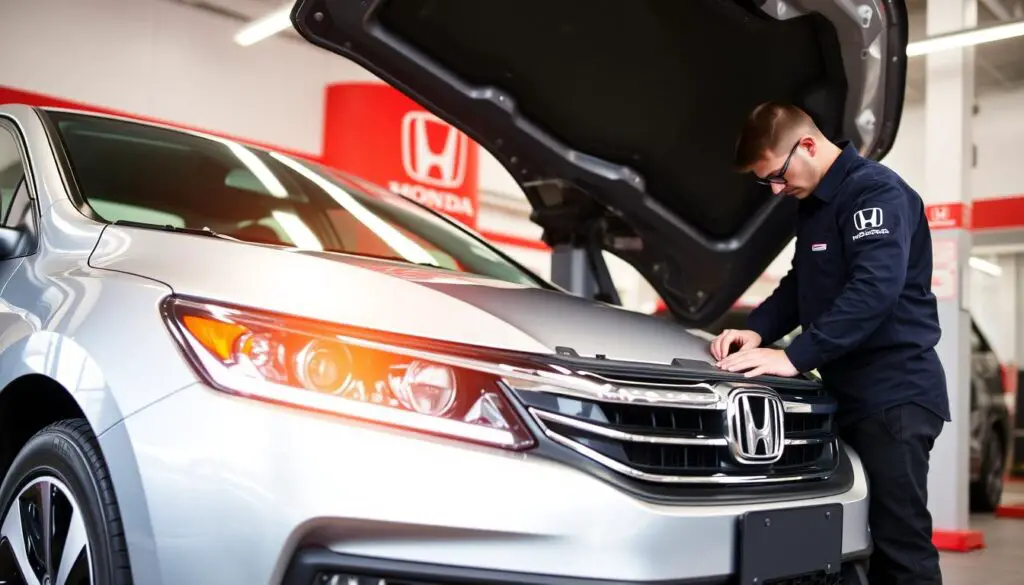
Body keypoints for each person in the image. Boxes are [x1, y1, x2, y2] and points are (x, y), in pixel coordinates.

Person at [711, 102, 951, 585]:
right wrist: (757, 330)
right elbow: (803, 283)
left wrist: (793, 356)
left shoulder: (875, 192)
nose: (776, 190)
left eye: (777, 175)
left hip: (893, 397)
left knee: (900, 548)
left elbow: (873, 291)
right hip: (848, 396)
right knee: (850, 548)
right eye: (766, 182)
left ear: (807, 145)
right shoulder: (816, 204)